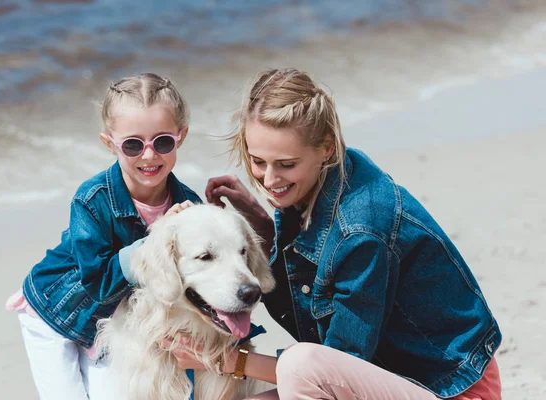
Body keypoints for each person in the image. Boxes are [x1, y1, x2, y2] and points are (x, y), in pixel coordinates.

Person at [168, 68, 502, 400]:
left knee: (299, 362)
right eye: (258, 161)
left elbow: (334, 363)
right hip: (399, 379)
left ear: (326, 148)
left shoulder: (360, 231)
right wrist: (259, 222)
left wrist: (225, 360)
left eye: (286, 164)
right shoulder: (329, 179)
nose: (269, 180)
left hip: (452, 390)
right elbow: (316, 323)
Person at [5, 73, 200, 400]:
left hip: (111, 325)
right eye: (133, 144)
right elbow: (96, 284)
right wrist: (156, 238)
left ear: (181, 136)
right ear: (109, 143)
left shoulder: (188, 204)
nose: (149, 156)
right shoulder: (92, 199)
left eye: (162, 141)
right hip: (57, 314)